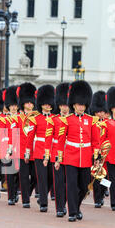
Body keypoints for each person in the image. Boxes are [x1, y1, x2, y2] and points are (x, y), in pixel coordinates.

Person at [56, 80, 103, 222]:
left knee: (84, 187)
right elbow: (61, 140)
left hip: (86, 157)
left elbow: (96, 140)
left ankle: (76, 207)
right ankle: (72, 212)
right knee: (71, 185)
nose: (81, 107)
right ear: (74, 104)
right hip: (70, 156)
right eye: (78, 104)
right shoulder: (67, 120)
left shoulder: (92, 120)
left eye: (83, 104)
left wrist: (97, 157)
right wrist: (59, 158)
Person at [28, 85, 55, 212]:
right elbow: (30, 137)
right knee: (42, 178)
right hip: (39, 151)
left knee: (51, 177)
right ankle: (43, 202)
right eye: (46, 103)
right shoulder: (35, 119)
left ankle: (43, 196)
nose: (48, 106)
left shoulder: (55, 119)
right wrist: (28, 153)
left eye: (50, 104)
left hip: (52, 151)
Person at [45, 82, 70, 217]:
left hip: (71, 153)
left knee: (69, 183)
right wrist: (47, 155)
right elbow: (48, 139)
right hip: (56, 154)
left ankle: (67, 202)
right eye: (62, 105)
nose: (64, 108)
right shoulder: (53, 120)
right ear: (59, 105)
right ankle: (59, 208)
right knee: (59, 182)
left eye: (66, 105)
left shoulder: (72, 120)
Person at [15, 83, 38, 208]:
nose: (29, 105)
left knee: (35, 176)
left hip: (34, 151)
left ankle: (27, 193)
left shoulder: (37, 118)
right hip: (22, 150)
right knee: (23, 176)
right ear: (23, 103)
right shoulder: (18, 118)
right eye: (27, 103)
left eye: (31, 102)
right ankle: (25, 200)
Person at [88, 91, 108, 208]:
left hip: (106, 154)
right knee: (96, 177)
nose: (100, 114)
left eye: (102, 111)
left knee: (105, 178)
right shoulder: (92, 123)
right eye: (98, 111)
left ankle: (104, 191)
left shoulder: (107, 123)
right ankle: (97, 198)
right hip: (95, 153)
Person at [2, 86, 20, 206]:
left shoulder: (21, 119)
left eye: (15, 105)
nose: (13, 107)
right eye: (11, 105)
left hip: (19, 148)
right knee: (9, 174)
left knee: (19, 173)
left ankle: (16, 192)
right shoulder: (5, 120)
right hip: (8, 149)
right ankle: (10, 196)